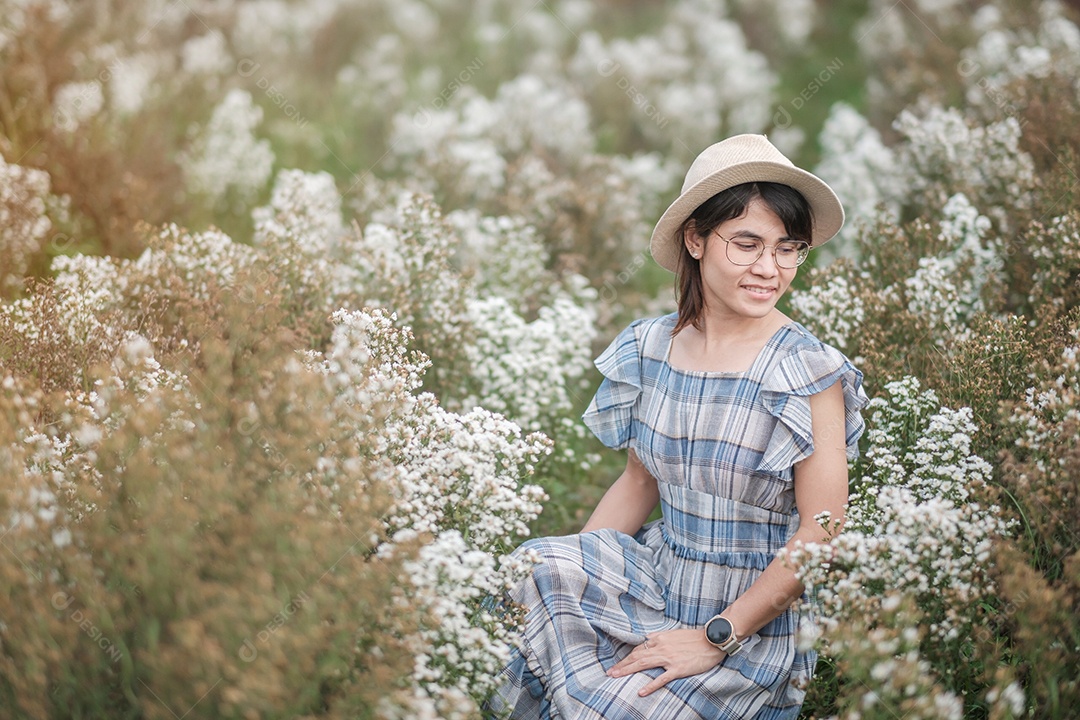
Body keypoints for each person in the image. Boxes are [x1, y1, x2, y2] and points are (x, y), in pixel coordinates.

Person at [487, 134, 869, 719]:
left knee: (619, 709)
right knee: (531, 577)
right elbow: (638, 485)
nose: (769, 269)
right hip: (659, 577)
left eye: (787, 248)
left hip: (750, 619)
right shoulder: (651, 346)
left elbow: (823, 533)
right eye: (746, 244)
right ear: (695, 239)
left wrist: (717, 636)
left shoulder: (808, 373)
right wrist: (586, 584)